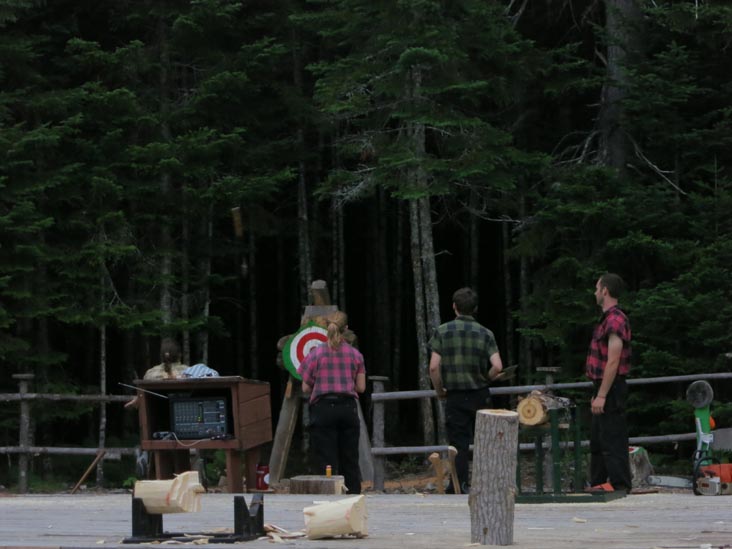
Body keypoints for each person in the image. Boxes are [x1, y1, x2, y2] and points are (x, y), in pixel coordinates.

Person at [429, 287, 503, 493]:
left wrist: (439, 389)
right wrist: (485, 378)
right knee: (485, 443)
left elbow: (433, 367)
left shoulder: (442, 331)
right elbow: (498, 366)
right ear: (475, 309)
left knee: (458, 446)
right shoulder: (486, 333)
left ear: (454, 307)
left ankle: (458, 486)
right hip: (480, 394)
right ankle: (487, 487)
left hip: (455, 396)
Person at [300, 311, 366, 494]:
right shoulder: (355, 355)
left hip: (323, 409)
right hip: (347, 408)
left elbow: (305, 387)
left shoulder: (316, 354)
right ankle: (353, 497)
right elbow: (361, 387)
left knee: (326, 460)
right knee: (350, 459)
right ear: (346, 329)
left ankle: (328, 499)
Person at [586, 272, 633, 492]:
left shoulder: (616, 319)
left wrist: (603, 394)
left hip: (611, 387)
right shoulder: (606, 319)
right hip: (603, 385)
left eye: (597, 288)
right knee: (598, 440)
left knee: (612, 438)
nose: (595, 292)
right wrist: (597, 392)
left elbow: (613, 361)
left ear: (605, 290)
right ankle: (598, 484)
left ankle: (620, 486)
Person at [124, 338, 188, 408]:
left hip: (156, 412)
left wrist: (138, 398)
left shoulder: (150, 373)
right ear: (180, 355)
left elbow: (144, 393)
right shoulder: (190, 371)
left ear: (161, 356)